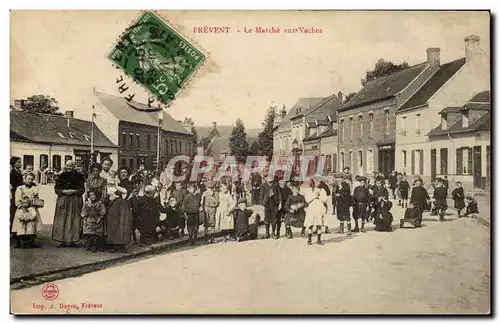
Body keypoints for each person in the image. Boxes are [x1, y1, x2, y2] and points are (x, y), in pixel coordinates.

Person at [52, 160, 85, 247]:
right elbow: (56, 189)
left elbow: (82, 190)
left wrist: (74, 191)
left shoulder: (79, 176)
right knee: (62, 220)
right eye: (67, 165)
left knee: (74, 220)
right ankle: (63, 240)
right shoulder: (61, 176)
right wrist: (63, 191)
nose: (68, 167)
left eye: (70, 165)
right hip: (63, 199)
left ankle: (73, 240)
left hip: (75, 200)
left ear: (73, 166)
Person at [12, 173, 43, 248]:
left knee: (31, 225)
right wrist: (21, 206)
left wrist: (38, 203)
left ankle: (31, 242)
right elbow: (17, 199)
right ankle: (19, 242)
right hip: (22, 208)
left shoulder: (34, 188)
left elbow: (36, 198)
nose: (30, 181)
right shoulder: (20, 188)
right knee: (20, 225)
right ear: (24, 179)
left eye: (32, 179)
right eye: (28, 179)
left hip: (31, 209)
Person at [10, 157, 24, 246]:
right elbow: (14, 183)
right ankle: (14, 232)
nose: (20, 164)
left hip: (18, 191)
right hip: (15, 192)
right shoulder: (12, 172)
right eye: (19, 162)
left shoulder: (18, 171)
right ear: (14, 163)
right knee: (14, 211)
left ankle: (17, 232)